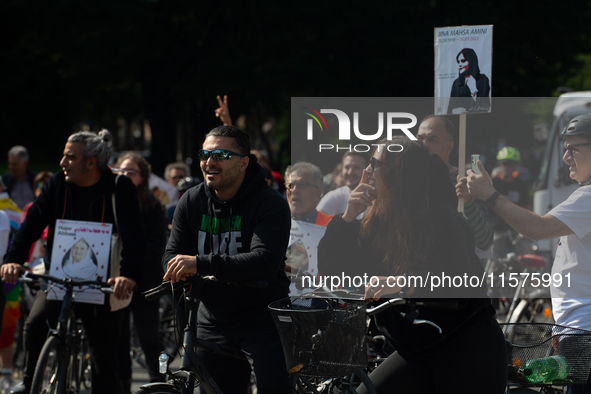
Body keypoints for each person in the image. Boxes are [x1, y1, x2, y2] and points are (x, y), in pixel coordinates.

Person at [318, 137, 507, 394]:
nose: (367, 171)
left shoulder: (443, 218)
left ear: (399, 173)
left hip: (466, 346)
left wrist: (401, 282)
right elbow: (334, 271)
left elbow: (457, 279)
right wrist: (348, 218)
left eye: (374, 163)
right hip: (416, 351)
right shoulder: (375, 221)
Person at [1, 130, 145, 394]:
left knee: (104, 356)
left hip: (102, 282)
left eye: (69, 157)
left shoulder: (119, 188)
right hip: (60, 277)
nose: (62, 163)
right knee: (34, 326)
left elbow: (134, 237)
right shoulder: (57, 183)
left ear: (90, 162)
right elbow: (32, 223)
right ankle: (30, 381)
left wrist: (128, 275)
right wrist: (13, 260)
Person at [162, 125, 292, 393]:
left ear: (244, 162)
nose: (210, 162)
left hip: (261, 318)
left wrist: (199, 263)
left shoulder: (269, 203)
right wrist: (175, 267)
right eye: (205, 154)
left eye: (220, 154)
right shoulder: (191, 200)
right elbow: (171, 254)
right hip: (211, 318)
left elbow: (263, 263)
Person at [467, 115, 591, 393]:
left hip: (584, 329)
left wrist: (491, 196)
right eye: (565, 148)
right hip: (578, 329)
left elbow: (536, 228)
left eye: (574, 148)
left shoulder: (589, 196)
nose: (566, 156)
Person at [114, 151, 167, 392]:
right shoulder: (111, 202)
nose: (125, 175)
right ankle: (122, 385)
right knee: (118, 339)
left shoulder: (153, 205)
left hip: (145, 281)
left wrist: (134, 266)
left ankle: (159, 384)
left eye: (130, 171)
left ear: (143, 177)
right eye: (121, 171)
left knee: (149, 339)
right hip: (115, 280)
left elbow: (158, 243)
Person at [417, 116, 494, 252]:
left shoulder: (466, 181)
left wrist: (468, 203)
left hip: (457, 270)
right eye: (420, 139)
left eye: (432, 140)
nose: (423, 145)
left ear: (449, 147)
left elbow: (485, 241)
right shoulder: (407, 180)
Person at [489, 147, 531, 258]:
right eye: (504, 163)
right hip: (497, 229)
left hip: (517, 229)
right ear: (500, 164)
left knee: (526, 255)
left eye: (511, 164)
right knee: (493, 260)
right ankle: (491, 275)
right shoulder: (493, 184)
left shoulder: (521, 185)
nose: (507, 167)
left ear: (516, 165)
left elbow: (525, 208)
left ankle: (527, 274)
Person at [317, 152, 367, 216]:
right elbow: (315, 225)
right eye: (347, 167)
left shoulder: (377, 199)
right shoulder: (335, 196)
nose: (350, 172)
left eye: (356, 168)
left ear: (367, 169)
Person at [447, 48, 491, 115]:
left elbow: (485, 107)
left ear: (471, 61)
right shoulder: (456, 82)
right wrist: (454, 111)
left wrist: (473, 90)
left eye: (463, 61)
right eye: (458, 62)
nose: (460, 65)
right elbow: (450, 108)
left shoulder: (482, 79)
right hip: (459, 120)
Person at [2, 147, 37, 211]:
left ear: (25, 163)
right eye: (9, 164)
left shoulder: (36, 180)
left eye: (14, 164)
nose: (11, 167)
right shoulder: (4, 181)